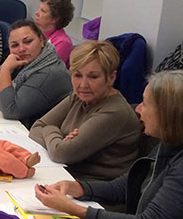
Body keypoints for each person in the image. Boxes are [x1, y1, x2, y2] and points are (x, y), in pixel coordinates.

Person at [34, 70, 183, 218]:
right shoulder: (167, 144)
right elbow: (124, 187)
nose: (138, 109)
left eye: (145, 104)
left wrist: (72, 208)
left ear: (168, 114)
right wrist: (76, 188)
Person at [29, 41, 140, 181]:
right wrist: (59, 138)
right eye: (77, 75)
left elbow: (61, 153)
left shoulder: (114, 112)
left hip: (93, 192)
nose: (83, 85)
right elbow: (37, 127)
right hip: (66, 176)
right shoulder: (78, 96)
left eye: (93, 77)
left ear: (111, 77)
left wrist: (52, 132)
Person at [0, 20, 71, 128]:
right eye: (14, 45)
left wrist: (5, 70)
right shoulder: (21, 60)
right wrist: (4, 102)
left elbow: (10, 110)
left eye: (28, 41)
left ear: (41, 40)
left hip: (40, 135)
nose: (21, 49)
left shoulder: (49, 72)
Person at [34, 0, 75, 67]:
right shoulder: (38, 34)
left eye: (42, 11)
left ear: (55, 19)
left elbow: (47, 70)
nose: (36, 13)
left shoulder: (63, 43)